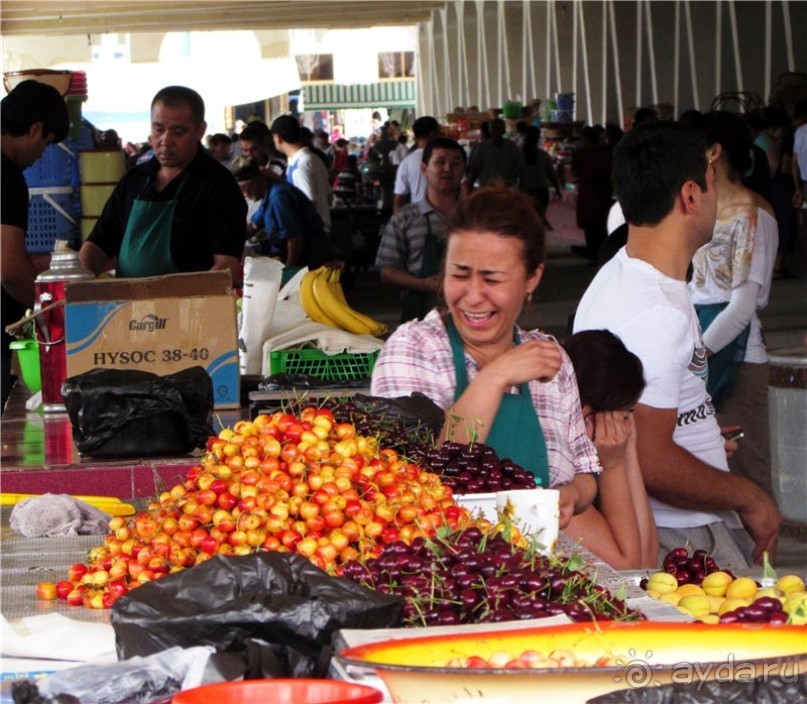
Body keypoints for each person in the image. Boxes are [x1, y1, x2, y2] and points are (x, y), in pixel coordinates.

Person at [573, 121, 781, 568]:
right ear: (689, 196)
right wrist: (750, 497)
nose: (716, 196)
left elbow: (643, 419)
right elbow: (648, 457)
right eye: (711, 184)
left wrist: (697, 426)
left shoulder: (625, 273)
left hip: (679, 524)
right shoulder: (655, 314)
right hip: (682, 535)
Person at [372, 186, 600, 530]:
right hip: (434, 569)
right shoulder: (415, 348)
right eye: (459, 274)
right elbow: (410, 481)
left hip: (536, 566)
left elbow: (586, 471)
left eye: (492, 278)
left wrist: (571, 496)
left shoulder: (550, 361)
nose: (473, 296)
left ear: (532, 278)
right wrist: (495, 378)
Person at [688, 111, 779, 499]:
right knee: (709, 473)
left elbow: (742, 307)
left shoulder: (752, 214)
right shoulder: (700, 210)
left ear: (714, 152)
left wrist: (695, 357)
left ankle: (762, 563)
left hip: (736, 362)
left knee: (746, 473)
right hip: (702, 351)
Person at [80, 86, 246, 283]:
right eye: (158, 129)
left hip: (189, 308)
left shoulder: (219, 185)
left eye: (178, 131)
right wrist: (83, 284)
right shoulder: (135, 180)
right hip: (127, 307)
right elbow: (97, 246)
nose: (166, 140)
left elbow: (227, 266)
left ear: (200, 130)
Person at [562, 330, 658, 569]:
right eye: (623, 418)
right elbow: (627, 567)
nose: (623, 430)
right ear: (584, 413)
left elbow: (648, 560)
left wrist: (627, 452)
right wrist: (613, 465)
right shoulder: (556, 469)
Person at [1, 80, 70, 411]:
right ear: (35, 130)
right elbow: (10, 272)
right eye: (47, 143)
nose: (41, 155)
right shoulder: (7, 176)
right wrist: (49, 315)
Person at [375, 137, 465, 323]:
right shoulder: (404, 218)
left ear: (463, 171)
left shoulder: (475, 217)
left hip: (468, 311)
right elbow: (387, 272)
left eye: (455, 163)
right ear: (424, 169)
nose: (448, 169)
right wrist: (424, 284)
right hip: (419, 315)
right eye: (440, 162)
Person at [231, 156, 331, 270]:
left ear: (254, 183)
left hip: (310, 257)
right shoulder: (268, 194)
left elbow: (295, 241)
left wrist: (287, 273)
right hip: (300, 255)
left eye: (243, 188)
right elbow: (253, 226)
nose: (244, 194)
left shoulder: (278, 198)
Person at [271, 114, 332, 233]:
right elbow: (329, 196)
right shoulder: (313, 158)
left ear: (278, 138)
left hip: (311, 236)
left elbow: (309, 204)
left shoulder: (300, 166)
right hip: (321, 232)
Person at [570, 126, 613, 262]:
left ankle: (593, 252)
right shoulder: (607, 152)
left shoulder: (581, 153)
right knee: (602, 223)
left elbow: (575, 172)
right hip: (604, 192)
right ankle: (602, 253)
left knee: (590, 224)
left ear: (587, 138)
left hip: (588, 192)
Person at [393, 116, 440, 211]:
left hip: (417, 215)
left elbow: (398, 200)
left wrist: (398, 223)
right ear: (433, 134)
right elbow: (464, 187)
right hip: (443, 214)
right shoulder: (445, 158)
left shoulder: (406, 162)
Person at [465, 117, 525, 188]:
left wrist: (522, 185)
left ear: (504, 130)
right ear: (490, 130)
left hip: (508, 188)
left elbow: (520, 168)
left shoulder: (511, 146)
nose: (497, 131)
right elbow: (476, 169)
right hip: (488, 187)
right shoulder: (482, 147)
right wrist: (470, 186)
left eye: (499, 128)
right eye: (494, 128)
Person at [520, 125, 561, 220]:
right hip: (540, 191)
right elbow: (550, 173)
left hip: (525, 190)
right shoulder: (543, 155)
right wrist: (557, 187)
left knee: (526, 220)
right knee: (539, 220)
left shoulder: (518, 154)